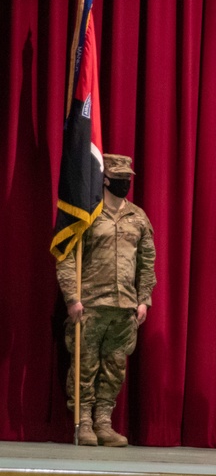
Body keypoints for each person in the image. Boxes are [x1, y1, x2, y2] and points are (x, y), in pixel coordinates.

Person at [56, 154, 156, 447]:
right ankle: (83, 423)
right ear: (105, 178)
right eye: (119, 179)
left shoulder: (138, 217)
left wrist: (143, 299)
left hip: (124, 307)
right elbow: (65, 257)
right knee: (84, 367)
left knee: (114, 369)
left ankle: (103, 423)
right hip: (90, 303)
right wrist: (72, 298)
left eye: (128, 179)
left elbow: (147, 262)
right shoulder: (86, 214)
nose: (125, 183)